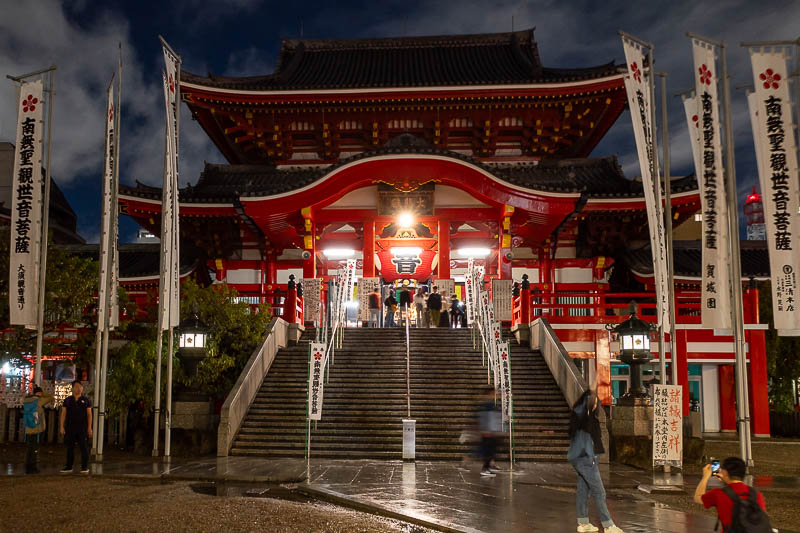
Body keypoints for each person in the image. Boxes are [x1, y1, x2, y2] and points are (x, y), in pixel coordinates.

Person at [567, 389, 623, 533]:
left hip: (582, 458)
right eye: (595, 402)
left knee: (583, 490)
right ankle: (608, 525)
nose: (596, 404)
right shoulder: (584, 418)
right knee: (599, 492)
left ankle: (583, 523)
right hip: (586, 459)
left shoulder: (582, 417)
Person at [694, 456, 770, 532]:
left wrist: (705, 477)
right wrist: (726, 480)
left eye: (722, 469)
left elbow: (698, 498)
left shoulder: (719, 493)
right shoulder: (755, 494)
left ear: (725, 472)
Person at [60, 380, 93, 474]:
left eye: (80, 387)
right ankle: (69, 466)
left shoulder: (86, 400)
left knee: (84, 447)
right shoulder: (68, 400)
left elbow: (89, 415)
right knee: (70, 447)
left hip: (82, 428)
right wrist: (62, 426)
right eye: (77, 387)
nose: (79, 389)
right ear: (72, 388)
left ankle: (84, 467)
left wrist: (89, 428)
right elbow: (63, 413)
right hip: (70, 427)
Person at [23, 385, 54, 474]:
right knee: (35, 449)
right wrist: (42, 393)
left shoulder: (26, 400)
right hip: (37, 430)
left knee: (29, 449)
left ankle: (28, 467)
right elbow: (50, 397)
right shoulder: (39, 400)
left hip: (28, 429)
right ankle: (33, 468)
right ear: (38, 393)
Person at [477, 386, 503, 476]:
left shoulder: (490, 404)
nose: (495, 395)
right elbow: (485, 418)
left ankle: (487, 468)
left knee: (491, 451)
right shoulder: (487, 405)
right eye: (493, 393)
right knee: (488, 451)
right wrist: (486, 430)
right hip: (488, 432)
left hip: (491, 431)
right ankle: (485, 469)